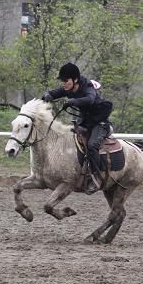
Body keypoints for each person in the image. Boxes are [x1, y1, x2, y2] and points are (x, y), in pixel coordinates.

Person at [42, 62, 114, 195]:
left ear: (75, 80)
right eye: (62, 81)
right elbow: (59, 91)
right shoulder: (70, 87)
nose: (64, 83)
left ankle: (96, 179)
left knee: (92, 145)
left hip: (100, 123)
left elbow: (90, 99)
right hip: (86, 122)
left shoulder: (87, 85)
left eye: (65, 81)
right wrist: (48, 95)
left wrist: (73, 102)